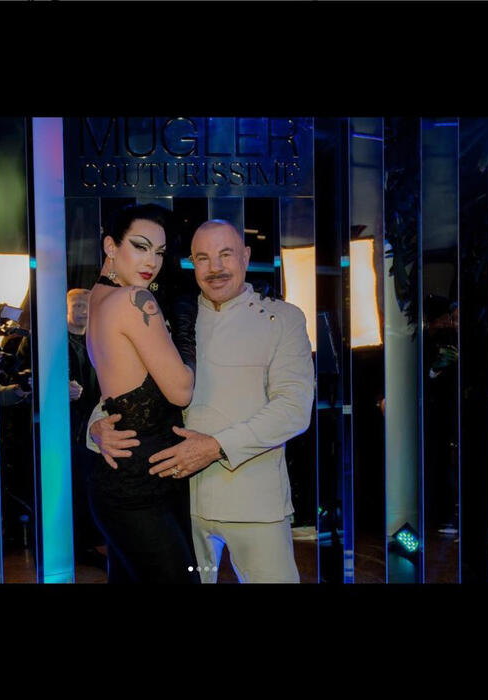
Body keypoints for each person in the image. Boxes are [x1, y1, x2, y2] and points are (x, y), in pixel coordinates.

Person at [90, 219, 315, 583]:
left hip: (253, 504)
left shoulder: (283, 319)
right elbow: (125, 385)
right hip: (181, 501)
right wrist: (96, 428)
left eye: (226, 255)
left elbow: (293, 409)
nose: (215, 268)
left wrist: (215, 447)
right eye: (203, 258)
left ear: (246, 256)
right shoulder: (171, 314)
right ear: (191, 263)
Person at [85, 203, 199, 583]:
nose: (152, 261)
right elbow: (181, 391)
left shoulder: (96, 298)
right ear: (110, 246)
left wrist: (96, 426)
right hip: (139, 486)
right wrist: (185, 334)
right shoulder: (135, 300)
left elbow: (112, 388)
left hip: (124, 479)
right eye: (140, 246)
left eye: (160, 252)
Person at [66, 288, 104, 567]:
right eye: (78, 305)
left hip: (94, 425)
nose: (83, 310)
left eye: (87, 305)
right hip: (66, 428)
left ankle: (89, 541)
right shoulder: (51, 341)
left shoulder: (98, 340)